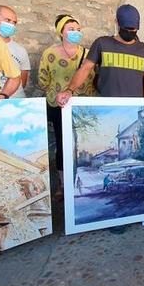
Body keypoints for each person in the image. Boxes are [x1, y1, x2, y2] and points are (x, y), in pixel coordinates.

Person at [55, 4, 144, 235]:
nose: (130, 33)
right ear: (118, 24)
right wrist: (70, 90)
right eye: (127, 28)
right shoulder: (102, 44)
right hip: (107, 108)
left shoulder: (143, 49)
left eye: (134, 29)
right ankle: (116, 218)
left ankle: (143, 211)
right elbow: (86, 68)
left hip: (132, 110)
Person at [38, 14, 96, 195]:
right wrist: (57, 93)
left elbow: (94, 78)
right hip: (58, 106)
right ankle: (63, 186)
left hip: (82, 107)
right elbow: (42, 79)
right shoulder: (50, 54)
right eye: (71, 29)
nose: (76, 32)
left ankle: (81, 183)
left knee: (81, 145)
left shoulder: (88, 55)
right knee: (62, 145)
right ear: (61, 32)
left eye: (78, 29)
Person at [0, 5, 30, 98]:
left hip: (15, 102)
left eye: (14, 22)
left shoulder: (21, 51)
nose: (11, 25)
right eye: (8, 20)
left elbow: (22, 82)